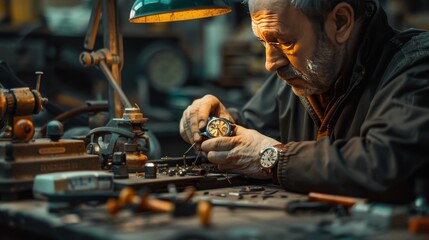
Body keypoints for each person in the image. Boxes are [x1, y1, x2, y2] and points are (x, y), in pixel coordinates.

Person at [180, 0, 429, 203]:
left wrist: (273, 158)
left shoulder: (416, 64)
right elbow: (251, 131)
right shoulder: (302, 73)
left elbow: (385, 165)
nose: (270, 63)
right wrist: (216, 122)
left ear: (340, 22)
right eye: (263, 42)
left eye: (282, 41)